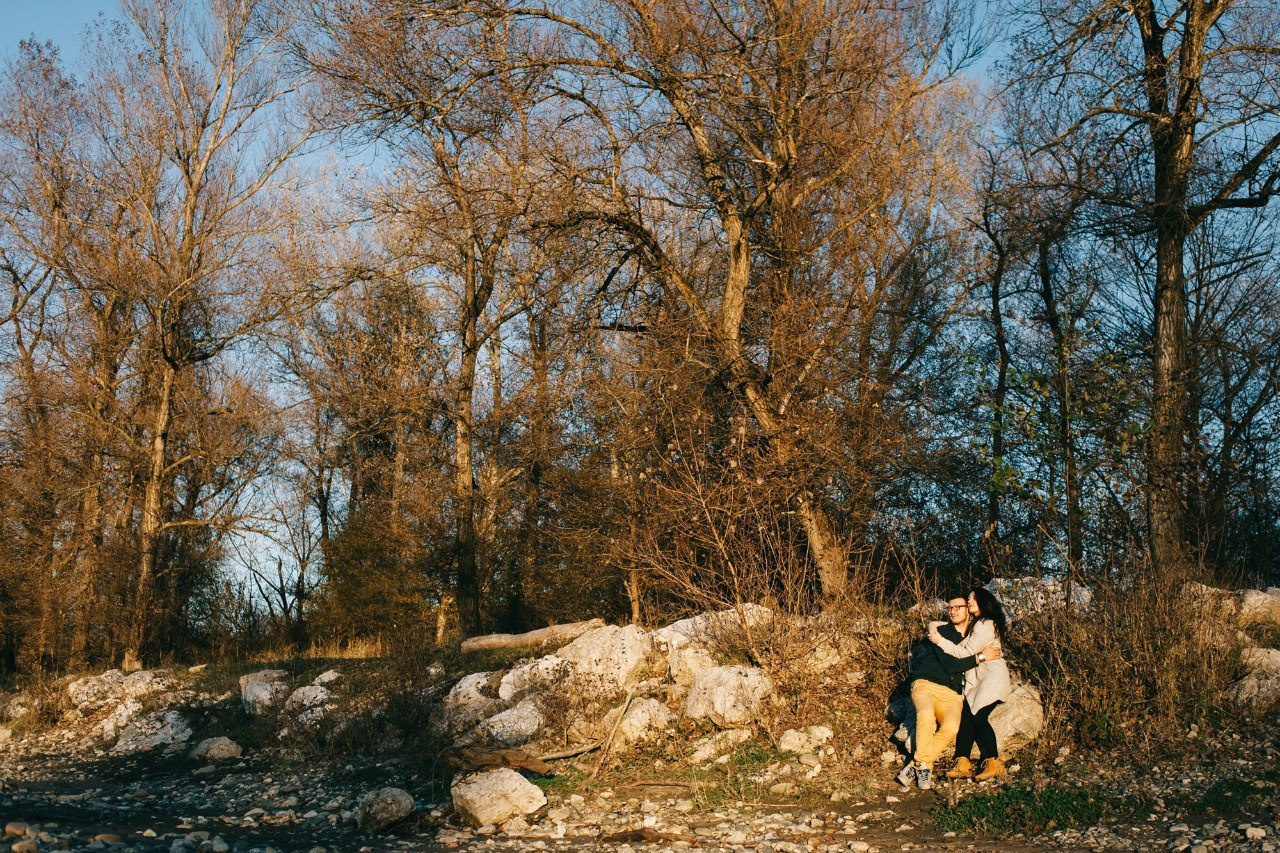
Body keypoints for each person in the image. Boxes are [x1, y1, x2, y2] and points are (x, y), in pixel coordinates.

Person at [896, 595, 1003, 790]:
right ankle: (925, 767)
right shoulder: (942, 631)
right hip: (926, 684)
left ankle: (916, 764)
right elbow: (950, 664)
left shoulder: (974, 635)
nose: (953, 611)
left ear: (968, 611)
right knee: (926, 715)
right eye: (950, 608)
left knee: (952, 727)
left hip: (952, 693)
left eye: (958, 607)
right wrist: (980, 656)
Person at [927, 586, 1012, 781]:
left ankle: (994, 761)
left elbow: (963, 652)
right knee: (967, 717)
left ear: (982, 601)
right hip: (980, 680)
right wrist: (935, 626)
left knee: (979, 717)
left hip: (992, 678)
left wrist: (939, 640)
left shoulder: (986, 624)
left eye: (973, 598)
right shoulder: (978, 624)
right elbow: (961, 643)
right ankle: (962, 761)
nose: (970, 601)